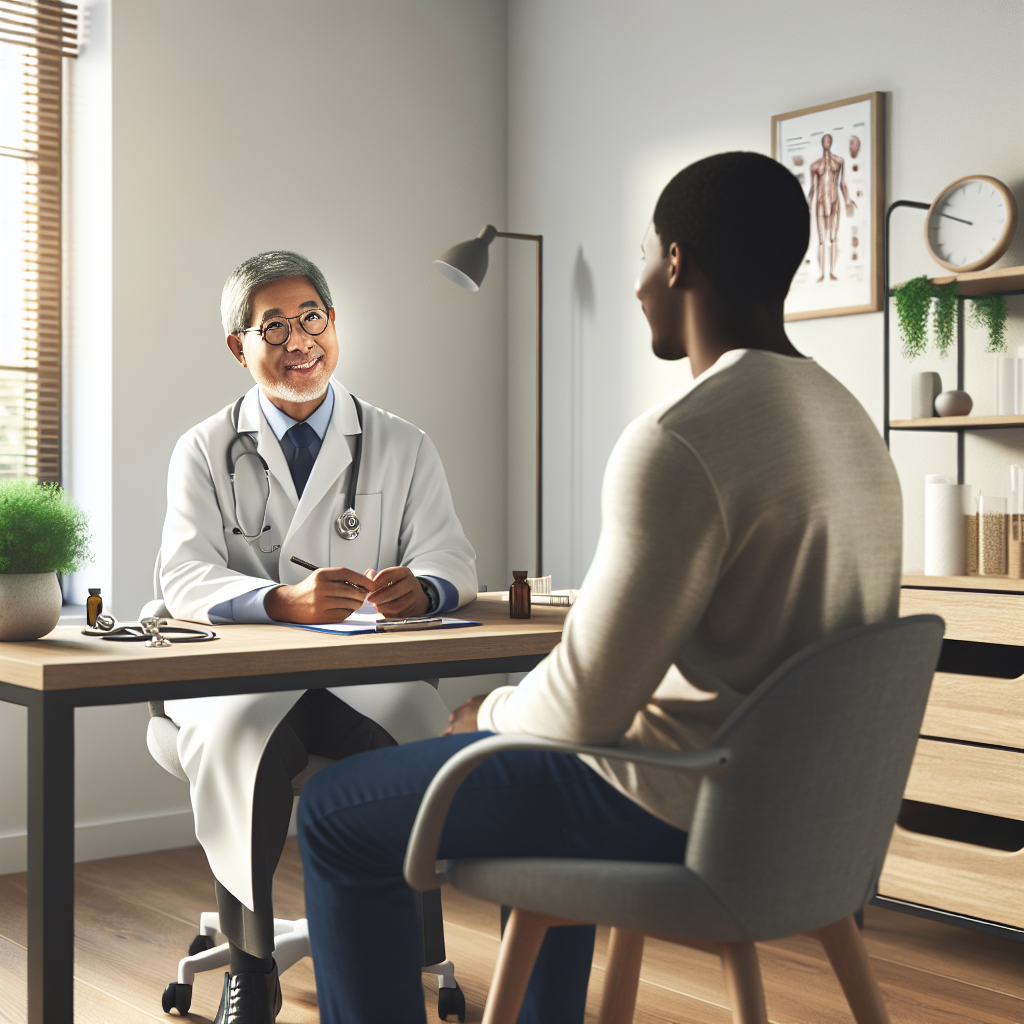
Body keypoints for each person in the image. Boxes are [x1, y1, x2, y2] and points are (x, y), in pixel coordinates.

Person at [297, 152, 902, 1024]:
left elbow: (581, 713)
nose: (637, 284)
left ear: (678, 263)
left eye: (645, 257)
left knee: (332, 808)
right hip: (804, 821)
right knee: (536, 770)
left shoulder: (682, 438)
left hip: (675, 801)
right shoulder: (852, 424)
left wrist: (487, 713)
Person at [157, 251, 477, 1023]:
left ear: (335, 326)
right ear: (240, 346)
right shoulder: (204, 448)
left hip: (360, 670)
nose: (300, 339)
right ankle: (249, 962)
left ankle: (404, 947)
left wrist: (422, 588)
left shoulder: (402, 442)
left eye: (312, 318)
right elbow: (183, 577)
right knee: (246, 745)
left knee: (407, 748)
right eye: (275, 325)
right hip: (239, 676)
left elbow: (452, 558)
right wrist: (277, 601)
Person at [807, 133, 856, 281]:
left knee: (833, 237)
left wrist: (847, 199)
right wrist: (807, 205)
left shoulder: (838, 161)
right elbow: (813, 187)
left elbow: (842, 182)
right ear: (822, 143)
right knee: (822, 238)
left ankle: (832, 271)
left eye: (829, 140)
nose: (827, 142)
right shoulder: (815, 165)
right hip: (821, 200)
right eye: (825, 140)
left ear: (831, 142)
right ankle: (822, 273)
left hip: (834, 198)